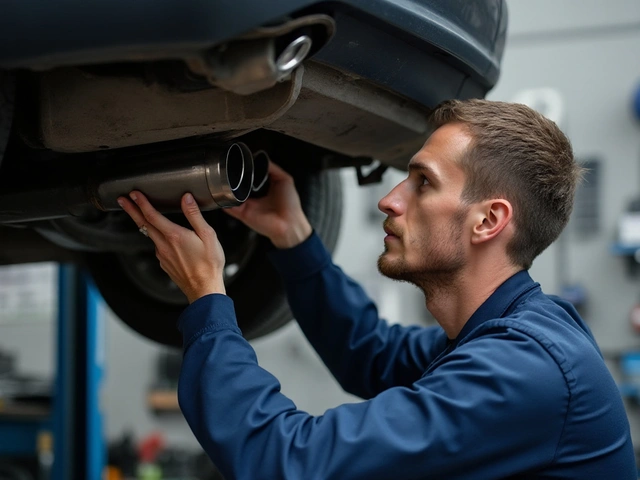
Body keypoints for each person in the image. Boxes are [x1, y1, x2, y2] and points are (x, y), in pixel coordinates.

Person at [118, 99, 636, 479]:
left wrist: (209, 300)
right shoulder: (507, 336)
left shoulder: (524, 368)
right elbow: (370, 353)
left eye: (422, 182)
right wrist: (294, 239)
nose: (389, 200)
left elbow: (288, 463)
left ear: (488, 221)